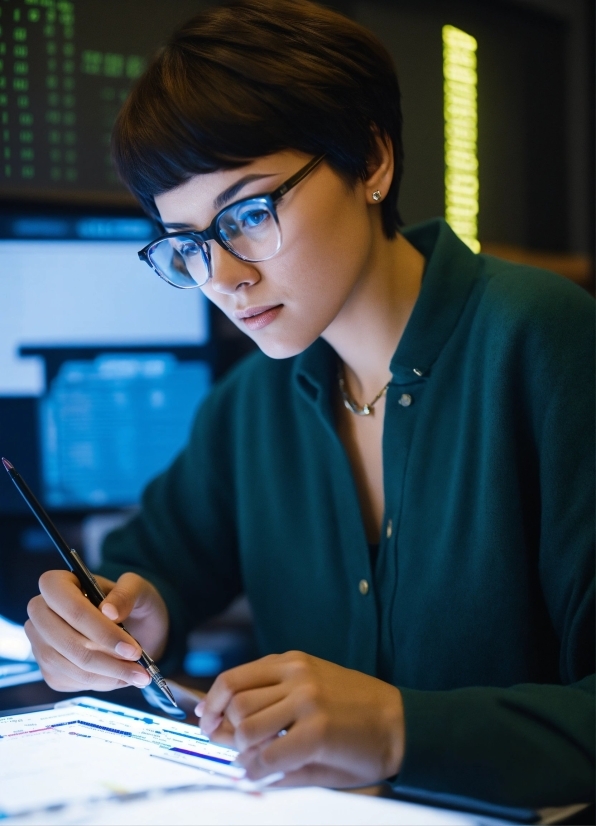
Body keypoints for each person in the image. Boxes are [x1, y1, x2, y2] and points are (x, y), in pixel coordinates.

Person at [24, 0, 594, 809]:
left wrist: (402, 730)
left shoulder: (546, 343)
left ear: (370, 161)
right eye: (186, 244)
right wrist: (125, 616)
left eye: (249, 214)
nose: (221, 277)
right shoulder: (251, 403)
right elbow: (147, 571)